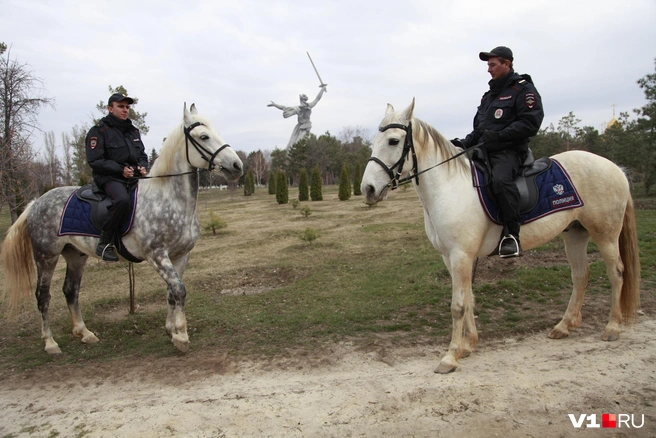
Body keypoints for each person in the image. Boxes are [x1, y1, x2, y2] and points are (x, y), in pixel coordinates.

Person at [453, 46, 544, 257]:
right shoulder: (489, 96)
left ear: (507, 64)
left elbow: (531, 123)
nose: (488, 70)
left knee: (500, 181)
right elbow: (480, 131)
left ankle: (511, 235)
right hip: (486, 153)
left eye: (492, 65)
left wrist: (501, 135)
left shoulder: (524, 90)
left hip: (510, 152)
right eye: (488, 65)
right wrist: (461, 144)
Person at [85, 93, 148, 262]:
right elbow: (95, 160)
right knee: (122, 200)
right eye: (120, 106)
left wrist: (143, 166)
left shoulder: (133, 131)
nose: (125, 110)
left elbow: (141, 154)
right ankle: (104, 243)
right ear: (110, 108)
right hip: (109, 178)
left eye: (127, 107)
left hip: (133, 177)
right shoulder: (99, 131)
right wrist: (120, 170)